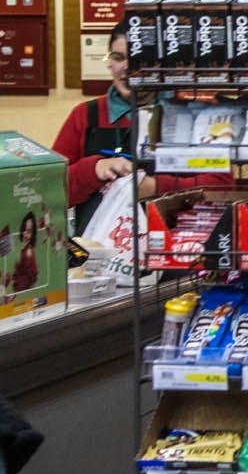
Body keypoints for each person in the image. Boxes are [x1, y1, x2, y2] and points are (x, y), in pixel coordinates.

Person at [52, 19, 233, 235]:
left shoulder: (189, 112)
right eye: (119, 58)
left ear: (160, 64)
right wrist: (92, 170)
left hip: (177, 250)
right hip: (100, 254)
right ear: (109, 62)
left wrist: (155, 187)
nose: (128, 68)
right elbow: (50, 189)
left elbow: (221, 183)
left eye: (140, 60)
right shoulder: (84, 115)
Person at [12, 212, 37, 292]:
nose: (25, 234)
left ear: (33, 234)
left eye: (29, 231)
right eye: (24, 230)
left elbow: (31, 277)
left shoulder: (29, 253)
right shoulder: (22, 250)